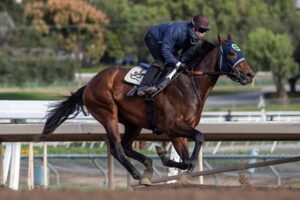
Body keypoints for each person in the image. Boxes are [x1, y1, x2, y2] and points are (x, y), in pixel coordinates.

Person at [137, 14, 210, 96]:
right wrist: (176, 63)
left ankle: (159, 87)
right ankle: (143, 86)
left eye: (205, 31)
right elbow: (165, 49)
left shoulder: (195, 38)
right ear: (194, 28)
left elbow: (186, 54)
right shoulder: (178, 31)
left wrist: (182, 63)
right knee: (161, 60)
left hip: (167, 44)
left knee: (175, 64)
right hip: (153, 38)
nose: (204, 34)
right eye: (202, 30)